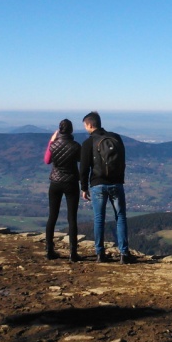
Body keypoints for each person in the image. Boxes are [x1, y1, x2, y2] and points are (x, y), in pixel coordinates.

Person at [79, 111, 131, 263]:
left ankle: (100, 254)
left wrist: (84, 187)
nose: (85, 128)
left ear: (90, 124)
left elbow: (84, 168)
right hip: (116, 183)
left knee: (99, 218)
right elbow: (122, 160)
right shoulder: (115, 138)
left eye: (85, 126)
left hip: (98, 184)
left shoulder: (89, 143)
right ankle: (124, 254)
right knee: (120, 217)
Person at [44, 119, 81, 261]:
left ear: (59, 130)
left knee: (52, 216)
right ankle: (73, 252)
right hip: (71, 182)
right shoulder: (76, 146)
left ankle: (49, 249)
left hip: (55, 183)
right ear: (71, 130)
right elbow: (80, 160)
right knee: (72, 218)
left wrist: (51, 142)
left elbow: (47, 160)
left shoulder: (53, 146)